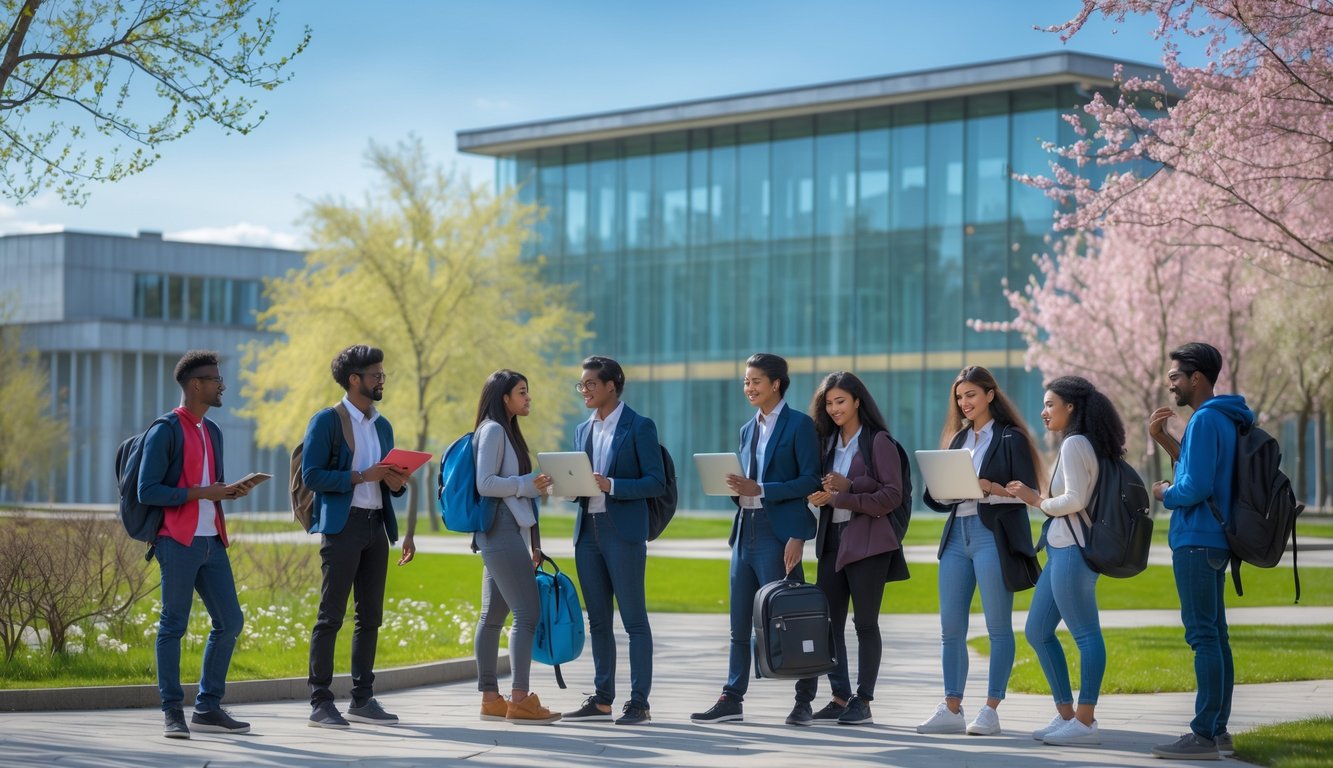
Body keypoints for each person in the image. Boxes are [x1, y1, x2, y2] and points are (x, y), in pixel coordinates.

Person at [691, 353, 820, 724]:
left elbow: (810, 480)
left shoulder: (799, 426)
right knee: (738, 622)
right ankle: (732, 697)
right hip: (744, 528)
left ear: (776, 383)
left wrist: (795, 531)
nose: (748, 388)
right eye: (746, 382)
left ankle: (803, 701)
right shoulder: (748, 429)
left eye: (755, 381)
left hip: (778, 533)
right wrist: (732, 486)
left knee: (792, 618)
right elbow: (748, 483)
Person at [917, 365, 1042, 737]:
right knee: (950, 628)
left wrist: (990, 486)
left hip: (993, 535)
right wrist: (940, 485)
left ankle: (991, 709)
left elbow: (1028, 491)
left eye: (971, 394)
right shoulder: (958, 440)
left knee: (997, 628)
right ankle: (952, 706)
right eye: (959, 396)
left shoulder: (1010, 437)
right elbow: (942, 497)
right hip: (957, 534)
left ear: (990, 394)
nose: (964, 402)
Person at [139, 350, 254, 739]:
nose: (222, 385)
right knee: (173, 625)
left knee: (230, 622)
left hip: (212, 541)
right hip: (177, 541)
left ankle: (207, 707)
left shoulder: (214, 431)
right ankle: (173, 711)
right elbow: (148, 489)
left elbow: (208, 488)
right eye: (215, 379)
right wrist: (203, 492)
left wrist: (225, 493)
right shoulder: (166, 429)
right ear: (195, 385)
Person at [1006, 376, 1126, 746]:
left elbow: (1074, 499)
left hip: (1073, 551)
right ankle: (1067, 716)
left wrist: (1036, 499)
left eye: (1049, 405)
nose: (1043, 412)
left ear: (1070, 407)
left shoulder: (1075, 443)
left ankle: (1086, 721)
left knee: (1086, 635)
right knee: (1037, 632)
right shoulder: (1081, 443)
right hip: (1061, 550)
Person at [1147, 342, 1253, 760]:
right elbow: (1197, 468)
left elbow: (1195, 486)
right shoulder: (1222, 417)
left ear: (1197, 378)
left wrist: (1164, 494)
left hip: (1197, 539)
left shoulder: (1206, 419)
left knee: (1203, 636)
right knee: (1216, 636)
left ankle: (1204, 735)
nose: (1170, 383)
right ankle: (1219, 729)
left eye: (1176, 376)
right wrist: (1164, 439)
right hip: (1213, 539)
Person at [302, 344, 411, 729]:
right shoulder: (327, 421)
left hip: (375, 525)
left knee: (371, 617)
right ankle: (320, 701)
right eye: (375, 375)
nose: (381, 380)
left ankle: (363, 699)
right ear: (354, 380)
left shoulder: (382, 425)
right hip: (342, 525)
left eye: (382, 374)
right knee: (330, 615)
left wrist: (397, 481)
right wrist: (362, 476)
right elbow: (311, 476)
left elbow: (387, 482)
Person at [790, 372, 905, 727]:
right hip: (831, 540)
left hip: (868, 542)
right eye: (829, 403)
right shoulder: (827, 444)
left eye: (841, 401)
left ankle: (863, 700)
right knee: (827, 624)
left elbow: (891, 496)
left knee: (865, 624)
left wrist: (844, 491)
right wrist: (820, 496)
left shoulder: (878, 441)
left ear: (858, 401)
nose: (834, 408)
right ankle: (830, 699)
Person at [561, 356, 667, 726]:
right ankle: (602, 699)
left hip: (623, 532)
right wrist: (566, 485)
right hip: (587, 532)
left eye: (591, 383)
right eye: (582, 384)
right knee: (598, 622)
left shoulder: (640, 426)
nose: (585, 390)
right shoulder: (581, 430)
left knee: (634, 620)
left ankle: (639, 703)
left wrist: (613, 485)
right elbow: (582, 483)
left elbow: (656, 481)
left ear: (611, 385)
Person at [472, 369, 561, 725]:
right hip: (500, 530)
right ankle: (520, 700)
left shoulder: (506, 431)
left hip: (506, 531)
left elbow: (518, 492)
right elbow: (485, 483)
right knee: (527, 613)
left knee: (492, 617)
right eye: (522, 392)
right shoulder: (493, 430)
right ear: (503, 396)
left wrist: (534, 542)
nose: (528, 398)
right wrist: (527, 483)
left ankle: (492, 699)